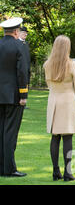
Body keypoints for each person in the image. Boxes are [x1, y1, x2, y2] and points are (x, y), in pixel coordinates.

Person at [44, 35, 75, 181]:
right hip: (67, 100)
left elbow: (49, 84)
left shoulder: (47, 64)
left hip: (53, 100)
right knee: (67, 136)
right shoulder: (71, 65)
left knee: (55, 136)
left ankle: (55, 171)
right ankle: (68, 172)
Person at [0, 17, 28, 178]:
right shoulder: (19, 46)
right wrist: (23, 94)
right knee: (10, 132)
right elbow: (22, 72)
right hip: (13, 96)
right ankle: (9, 168)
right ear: (16, 31)